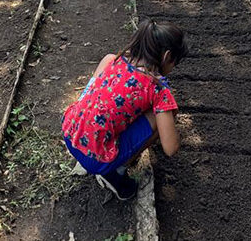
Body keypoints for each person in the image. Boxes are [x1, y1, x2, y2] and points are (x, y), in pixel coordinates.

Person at [62, 18, 185, 200]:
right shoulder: (157, 90)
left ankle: (90, 146)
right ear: (167, 57)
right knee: (164, 113)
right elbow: (170, 148)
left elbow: (89, 96)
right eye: (174, 63)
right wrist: (169, 115)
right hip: (95, 160)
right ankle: (115, 173)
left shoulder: (113, 59)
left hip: (70, 132)